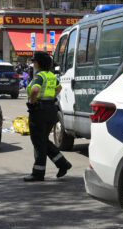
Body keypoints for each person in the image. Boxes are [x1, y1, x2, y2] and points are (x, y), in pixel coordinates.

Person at [24, 51, 71, 182]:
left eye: (34, 62)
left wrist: (33, 102)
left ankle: (38, 173)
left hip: (39, 111)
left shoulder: (39, 76)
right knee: (43, 140)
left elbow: (35, 90)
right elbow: (59, 88)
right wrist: (50, 98)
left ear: (38, 63)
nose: (33, 64)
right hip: (50, 110)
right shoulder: (51, 75)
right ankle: (63, 164)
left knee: (38, 142)